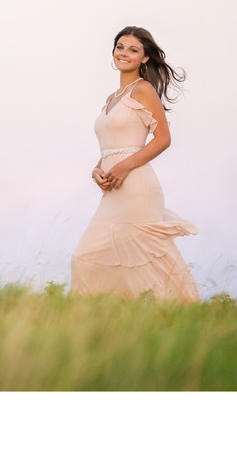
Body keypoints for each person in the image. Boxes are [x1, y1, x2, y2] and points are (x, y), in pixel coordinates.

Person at [70, 26, 199, 301]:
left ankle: (178, 311)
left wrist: (124, 167)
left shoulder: (143, 90)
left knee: (143, 260)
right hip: (112, 188)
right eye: (120, 47)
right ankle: (108, 319)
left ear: (145, 58)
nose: (124, 53)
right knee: (86, 259)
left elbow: (163, 138)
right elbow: (113, 145)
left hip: (136, 187)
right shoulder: (111, 99)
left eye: (133, 49)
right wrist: (98, 169)